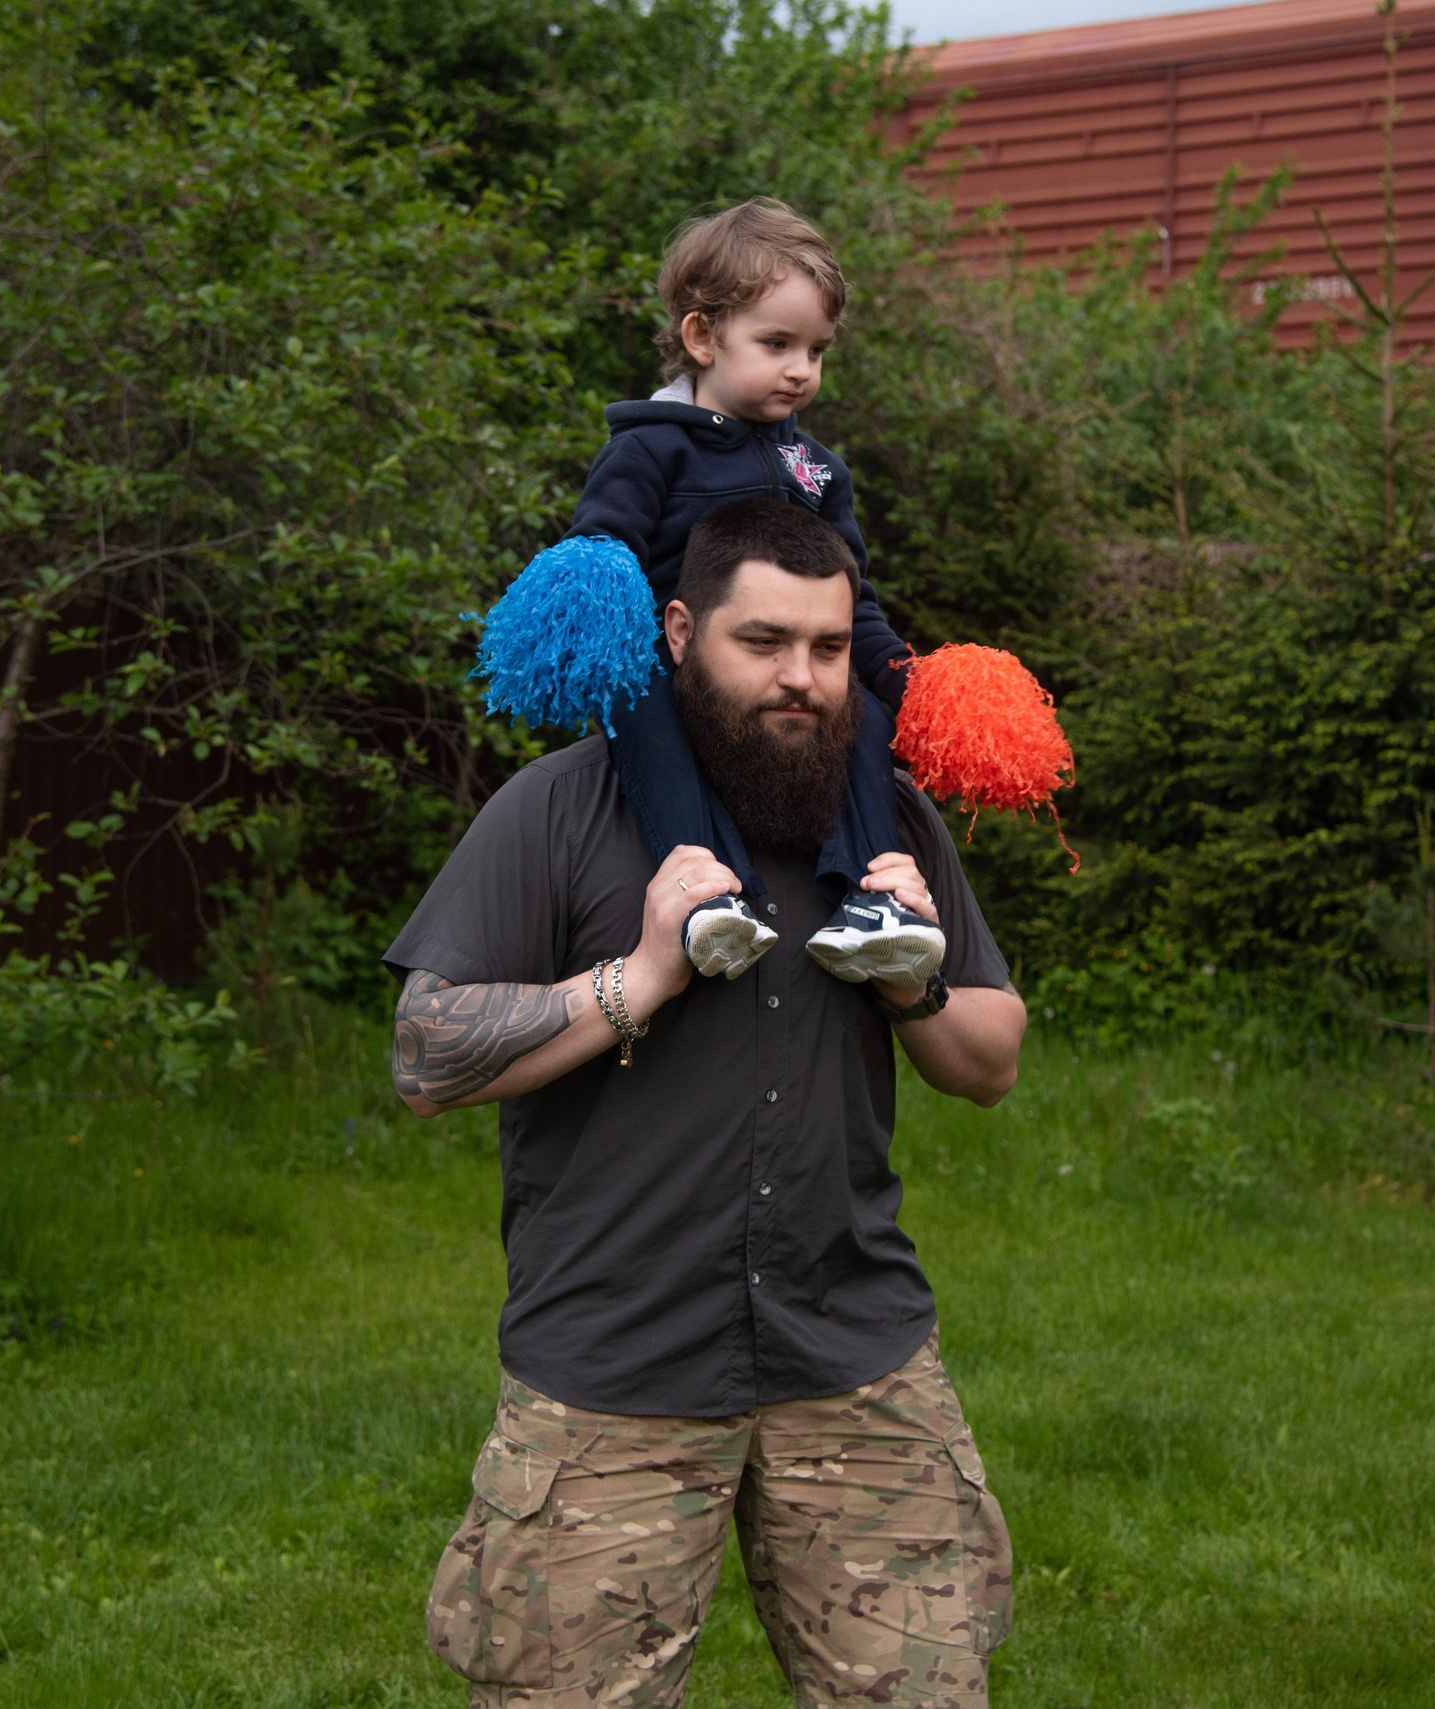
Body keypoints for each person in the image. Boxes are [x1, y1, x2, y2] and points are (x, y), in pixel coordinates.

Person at [387, 497, 1026, 1708]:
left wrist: (918, 986)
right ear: (677, 631)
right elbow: (424, 1052)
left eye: (829, 649)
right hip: (614, 1373)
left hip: (856, 1362)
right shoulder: (561, 809)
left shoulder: (888, 817)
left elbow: (989, 1062)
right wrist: (641, 977)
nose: (801, 679)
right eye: (763, 641)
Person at [566, 196, 943, 988]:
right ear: (703, 336)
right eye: (777, 343)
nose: (801, 369)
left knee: (862, 714)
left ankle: (874, 903)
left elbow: (854, 603)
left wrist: (908, 681)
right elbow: (602, 561)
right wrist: (607, 647)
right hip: (670, 666)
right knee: (641, 703)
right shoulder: (648, 449)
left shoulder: (819, 469)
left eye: (817, 348)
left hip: (783, 673)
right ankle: (707, 895)